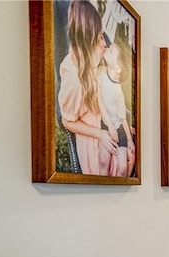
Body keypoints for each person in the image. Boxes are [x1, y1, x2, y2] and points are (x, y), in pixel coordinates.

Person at [58, 0, 117, 175]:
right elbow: (67, 120)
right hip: (92, 141)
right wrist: (99, 134)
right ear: (87, 39)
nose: (104, 43)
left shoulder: (91, 65)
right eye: (99, 37)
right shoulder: (74, 78)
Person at [99, 42, 135, 177]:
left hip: (119, 128)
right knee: (103, 160)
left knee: (123, 167)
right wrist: (109, 126)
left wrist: (130, 140)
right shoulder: (100, 72)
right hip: (105, 124)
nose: (107, 49)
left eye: (111, 51)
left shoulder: (118, 91)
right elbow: (99, 101)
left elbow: (122, 118)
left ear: (118, 68)